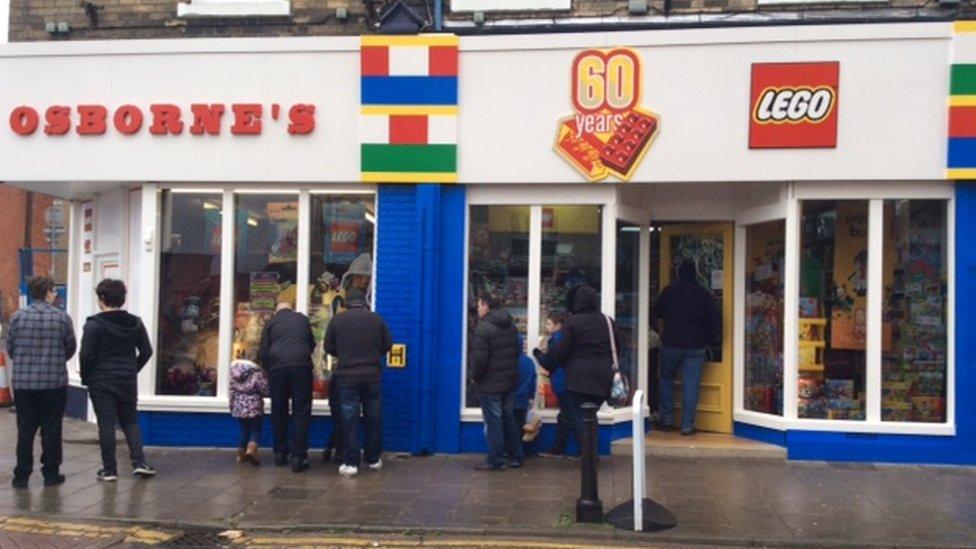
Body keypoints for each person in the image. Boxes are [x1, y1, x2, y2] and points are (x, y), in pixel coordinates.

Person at [80, 279, 156, 481]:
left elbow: (86, 355)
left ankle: (110, 469)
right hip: (127, 380)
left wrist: (88, 377)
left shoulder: (94, 325)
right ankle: (139, 462)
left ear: (102, 299)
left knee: (106, 424)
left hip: (101, 381)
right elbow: (147, 351)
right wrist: (132, 369)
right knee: (130, 421)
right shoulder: (135, 323)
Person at [5, 276, 76, 488]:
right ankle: (51, 473)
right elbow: (70, 347)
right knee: (51, 429)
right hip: (53, 384)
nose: (55, 295)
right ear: (47, 293)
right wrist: (55, 359)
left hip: (24, 384)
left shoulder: (17, 317)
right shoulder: (62, 318)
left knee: (25, 429)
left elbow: (10, 348)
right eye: (53, 291)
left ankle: (22, 475)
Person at [533, 285, 616, 449]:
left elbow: (559, 354)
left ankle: (588, 461)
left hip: (578, 380)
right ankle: (591, 457)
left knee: (580, 419)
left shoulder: (573, 323)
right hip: (603, 379)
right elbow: (618, 347)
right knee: (591, 417)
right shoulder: (607, 321)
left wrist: (542, 357)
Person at [324, 287, 392, 477]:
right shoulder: (376, 320)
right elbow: (387, 344)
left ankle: (351, 462)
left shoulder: (337, 321)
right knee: (373, 417)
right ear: (365, 303)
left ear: (346, 304)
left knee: (349, 419)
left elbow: (329, 347)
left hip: (347, 377)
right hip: (372, 375)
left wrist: (345, 355)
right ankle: (373, 459)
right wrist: (372, 355)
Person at [652, 260, 721, 436]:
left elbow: (654, 311)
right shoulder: (703, 294)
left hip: (671, 343)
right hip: (695, 345)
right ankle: (687, 426)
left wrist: (659, 331)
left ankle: (666, 420)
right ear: (696, 274)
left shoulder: (669, 292)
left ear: (679, 273)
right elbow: (714, 320)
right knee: (691, 385)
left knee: (666, 380)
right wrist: (710, 340)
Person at [258, 301, 315, 473]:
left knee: (279, 410)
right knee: (301, 411)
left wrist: (270, 369)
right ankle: (298, 457)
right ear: (291, 308)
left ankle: (280, 454)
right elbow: (311, 344)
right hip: (301, 366)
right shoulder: (303, 320)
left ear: (277, 310)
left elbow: (263, 352)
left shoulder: (271, 323)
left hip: (277, 368)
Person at [470, 293, 522, 471]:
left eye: (479, 305)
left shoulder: (483, 328)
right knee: (509, 418)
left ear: (486, 306)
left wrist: (474, 376)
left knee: (494, 422)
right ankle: (515, 456)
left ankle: (497, 460)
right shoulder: (510, 325)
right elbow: (516, 351)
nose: (477, 309)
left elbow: (480, 360)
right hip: (509, 381)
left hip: (490, 383)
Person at [535, 313, 576, 458]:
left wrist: (538, 354)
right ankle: (560, 448)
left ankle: (569, 449)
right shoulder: (560, 339)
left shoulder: (557, 341)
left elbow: (551, 362)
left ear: (558, 326)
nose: (547, 327)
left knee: (569, 416)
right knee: (567, 416)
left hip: (561, 383)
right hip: (563, 382)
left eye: (549, 324)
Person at [229, 359, 269, 466]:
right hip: (254, 408)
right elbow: (264, 390)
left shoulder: (233, 375)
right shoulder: (256, 374)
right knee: (256, 429)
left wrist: (232, 407)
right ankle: (251, 451)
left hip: (238, 408)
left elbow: (231, 393)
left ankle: (240, 455)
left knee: (244, 430)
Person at [513, 334, 537, 451]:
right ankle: (519, 453)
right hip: (523, 399)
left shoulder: (509, 362)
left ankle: (510, 453)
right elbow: (533, 380)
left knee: (508, 427)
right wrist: (531, 397)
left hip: (509, 399)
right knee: (519, 427)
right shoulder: (529, 362)